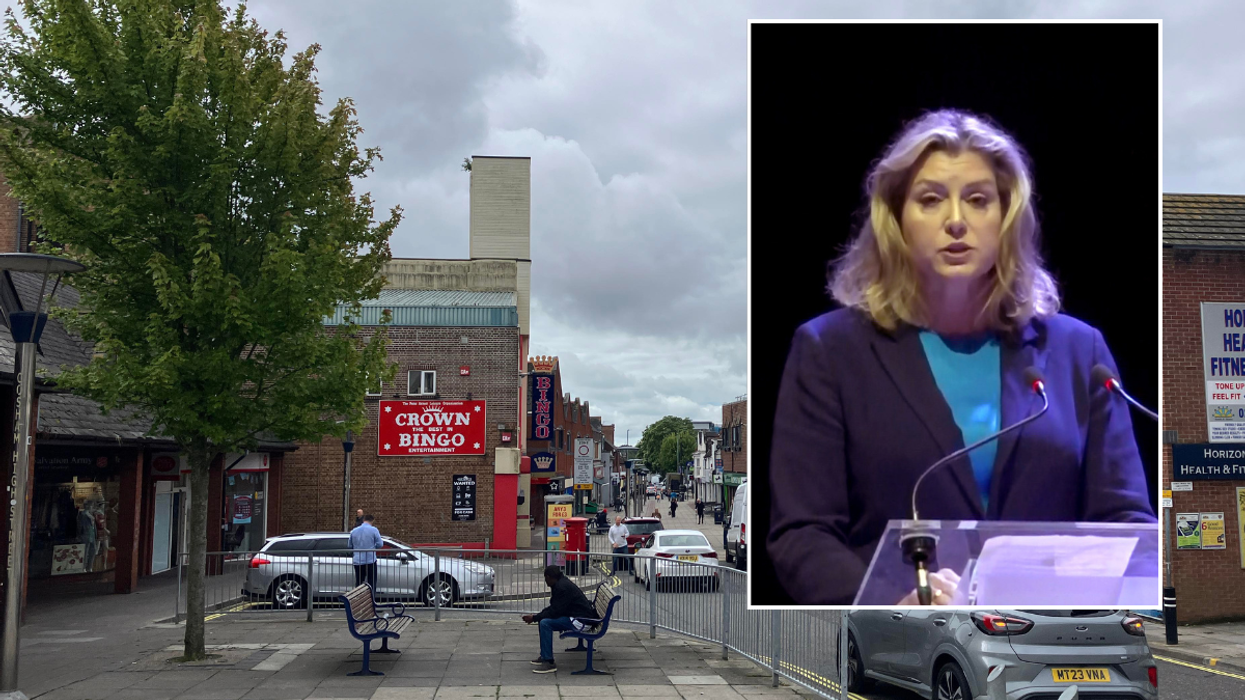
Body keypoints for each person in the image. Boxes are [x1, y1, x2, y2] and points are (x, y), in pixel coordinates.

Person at [766, 109, 1156, 607]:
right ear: (897, 219)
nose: (956, 220)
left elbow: (1125, 523)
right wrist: (890, 604)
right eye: (930, 200)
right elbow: (803, 533)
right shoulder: (830, 351)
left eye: (978, 199)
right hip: (904, 656)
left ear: (1006, 217)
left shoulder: (1081, 353)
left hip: (1054, 649)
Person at [522, 565, 595, 674]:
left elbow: (555, 611)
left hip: (581, 621)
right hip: (579, 617)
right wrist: (537, 616)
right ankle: (545, 655)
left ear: (549, 577)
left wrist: (535, 618)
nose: (546, 582)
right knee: (544, 620)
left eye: (545, 578)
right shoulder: (561, 583)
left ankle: (549, 661)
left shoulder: (561, 588)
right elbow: (555, 608)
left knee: (545, 623)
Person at [349, 513, 382, 591]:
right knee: (371, 582)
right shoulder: (374, 530)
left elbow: (350, 545)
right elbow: (380, 544)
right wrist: (372, 547)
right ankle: (371, 600)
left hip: (357, 560)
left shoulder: (354, 531)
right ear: (372, 521)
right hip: (370, 560)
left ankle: (358, 600)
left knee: (359, 582)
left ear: (363, 520)